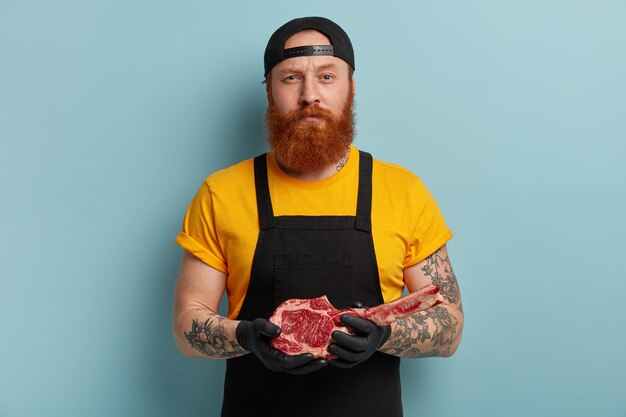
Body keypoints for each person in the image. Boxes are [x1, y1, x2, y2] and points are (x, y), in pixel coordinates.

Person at [172, 16, 464, 417]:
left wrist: (382, 335)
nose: (310, 95)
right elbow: (188, 327)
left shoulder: (402, 191)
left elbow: (449, 327)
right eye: (291, 78)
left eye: (327, 77)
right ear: (270, 92)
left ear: (351, 87)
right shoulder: (222, 193)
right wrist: (246, 337)